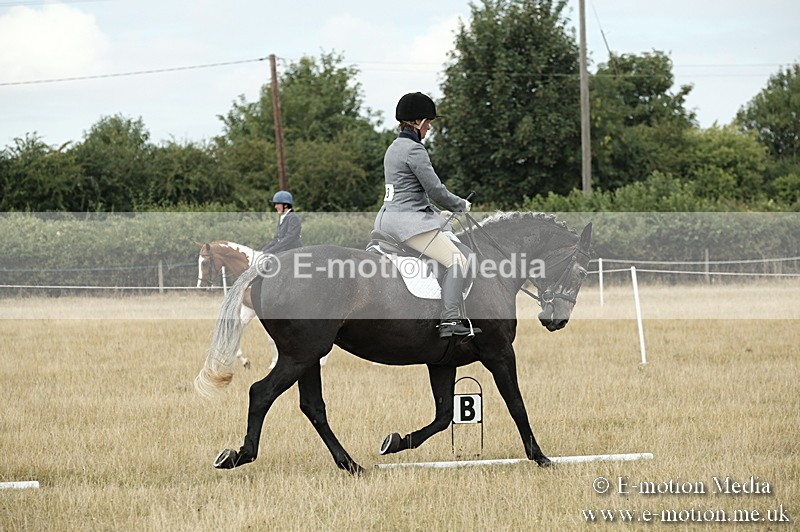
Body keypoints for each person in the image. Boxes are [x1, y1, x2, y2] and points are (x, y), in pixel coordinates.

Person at [374, 92, 480, 338]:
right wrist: (460, 205)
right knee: (458, 260)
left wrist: (437, 213)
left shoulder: (393, 148)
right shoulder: (414, 150)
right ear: (417, 122)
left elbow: (409, 193)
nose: (430, 128)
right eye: (428, 122)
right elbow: (435, 190)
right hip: (407, 224)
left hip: (387, 219)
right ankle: (450, 319)